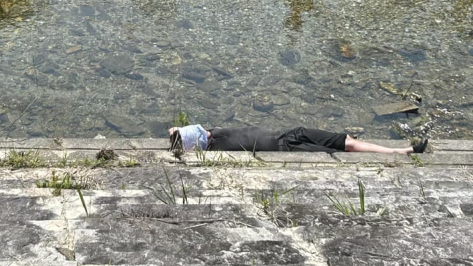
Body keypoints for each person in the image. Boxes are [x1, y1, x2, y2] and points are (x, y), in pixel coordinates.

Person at [167, 123, 430, 157]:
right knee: (347, 149)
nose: (205, 131)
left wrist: (181, 135)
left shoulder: (216, 140)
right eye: (200, 133)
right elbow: (174, 132)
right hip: (293, 146)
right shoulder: (218, 145)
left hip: (293, 135)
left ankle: (401, 150)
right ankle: (400, 151)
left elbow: (174, 131)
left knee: (347, 141)